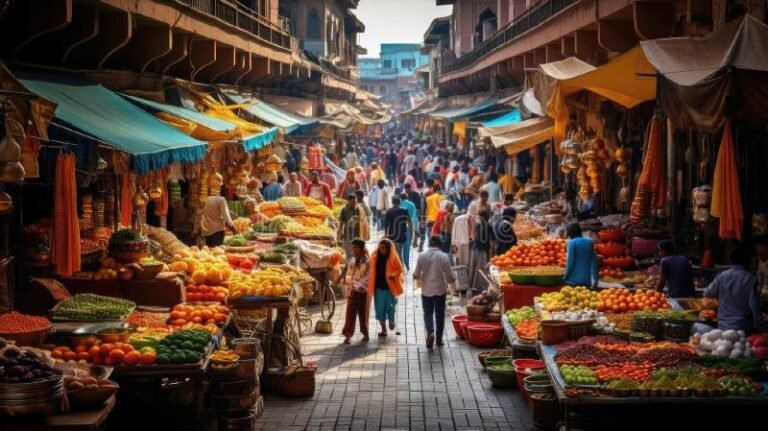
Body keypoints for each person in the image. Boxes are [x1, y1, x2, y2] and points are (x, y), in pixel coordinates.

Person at [704, 246, 768, 334]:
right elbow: (754, 305)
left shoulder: (722, 276)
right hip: (743, 328)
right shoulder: (751, 279)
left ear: (731, 261)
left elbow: (707, 293)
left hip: (722, 327)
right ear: (747, 262)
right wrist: (761, 326)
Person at [413, 235, 455, 348]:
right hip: (440, 289)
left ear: (429, 244)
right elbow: (449, 277)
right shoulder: (444, 256)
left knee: (428, 313)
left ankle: (430, 332)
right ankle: (439, 339)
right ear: (440, 245)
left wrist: (419, 276)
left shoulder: (421, 256)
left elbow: (416, 274)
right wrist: (452, 280)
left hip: (426, 289)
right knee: (440, 314)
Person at [368, 239, 404, 337]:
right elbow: (369, 265)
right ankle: (383, 329)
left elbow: (400, 268)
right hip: (378, 288)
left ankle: (391, 320)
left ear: (388, 249)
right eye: (380, 247)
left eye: (383, 248)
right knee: (379, 310)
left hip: (389, 288)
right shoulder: (375, 257)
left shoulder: (393, 257)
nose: (381, 249)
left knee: (391, 307)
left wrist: (393, 274)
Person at [342, 238, 370, 344]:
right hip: (353, 290)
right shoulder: (354, 260)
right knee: (350, 313)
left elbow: (360, 274)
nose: (353, 250)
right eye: (352, 247)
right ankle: (348, 335)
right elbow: (351, 275)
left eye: (355, 247)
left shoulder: (366, 261)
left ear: (361, 248)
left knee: (363, 314)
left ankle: (365, 333)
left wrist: (353, 265)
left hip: (363, 292)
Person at [563, 223, 599, 287]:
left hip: (574, 280)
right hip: (587, 280)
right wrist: (596, 280)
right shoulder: (589, 241)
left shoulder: (571, 243)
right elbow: (594, 262)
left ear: (570, 233)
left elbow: (570, 262)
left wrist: (565, 277)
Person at [383, 197, 413, 269]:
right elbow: (410, 223)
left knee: (396, 254)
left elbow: (386, 225)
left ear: (392, 203)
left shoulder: (389, 211)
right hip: (402, 236)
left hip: (392, 237)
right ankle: (400, 269)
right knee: (399, 252)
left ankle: (400, 270)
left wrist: (385, 235)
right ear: (399, 203)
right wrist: (411, 234)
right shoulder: (404, 210)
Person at [469, 210, 494, 293]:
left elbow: (474, 236)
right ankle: (479, 289)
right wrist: (491, 255)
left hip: (474, 249)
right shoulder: (488, 226)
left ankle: (472, 286)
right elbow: (492, 242)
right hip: (482, 250)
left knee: (473, 268)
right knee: (481, 270)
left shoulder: (478, 225)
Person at [337, 195, 362, 259]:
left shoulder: (359, 209)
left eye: (355, 202)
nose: (355, 203)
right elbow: (341, 223)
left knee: (358, 254)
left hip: (358, 235)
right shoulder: (344, 209)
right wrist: (340, 232)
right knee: (349, 255)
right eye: (353, 202)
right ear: (348, 201)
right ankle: (350, 267)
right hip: (347, 235)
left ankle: (356, 267)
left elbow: (364, 220)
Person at [399, 192, 419, 270]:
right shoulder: (412, 205)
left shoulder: (398, 204)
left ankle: (400, 265)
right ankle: (406, 264)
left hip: (399, 228)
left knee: (398, 248)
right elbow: (414, 218)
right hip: (408, 227)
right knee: (407, 248)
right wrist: (414, 230)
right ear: (407, 197)